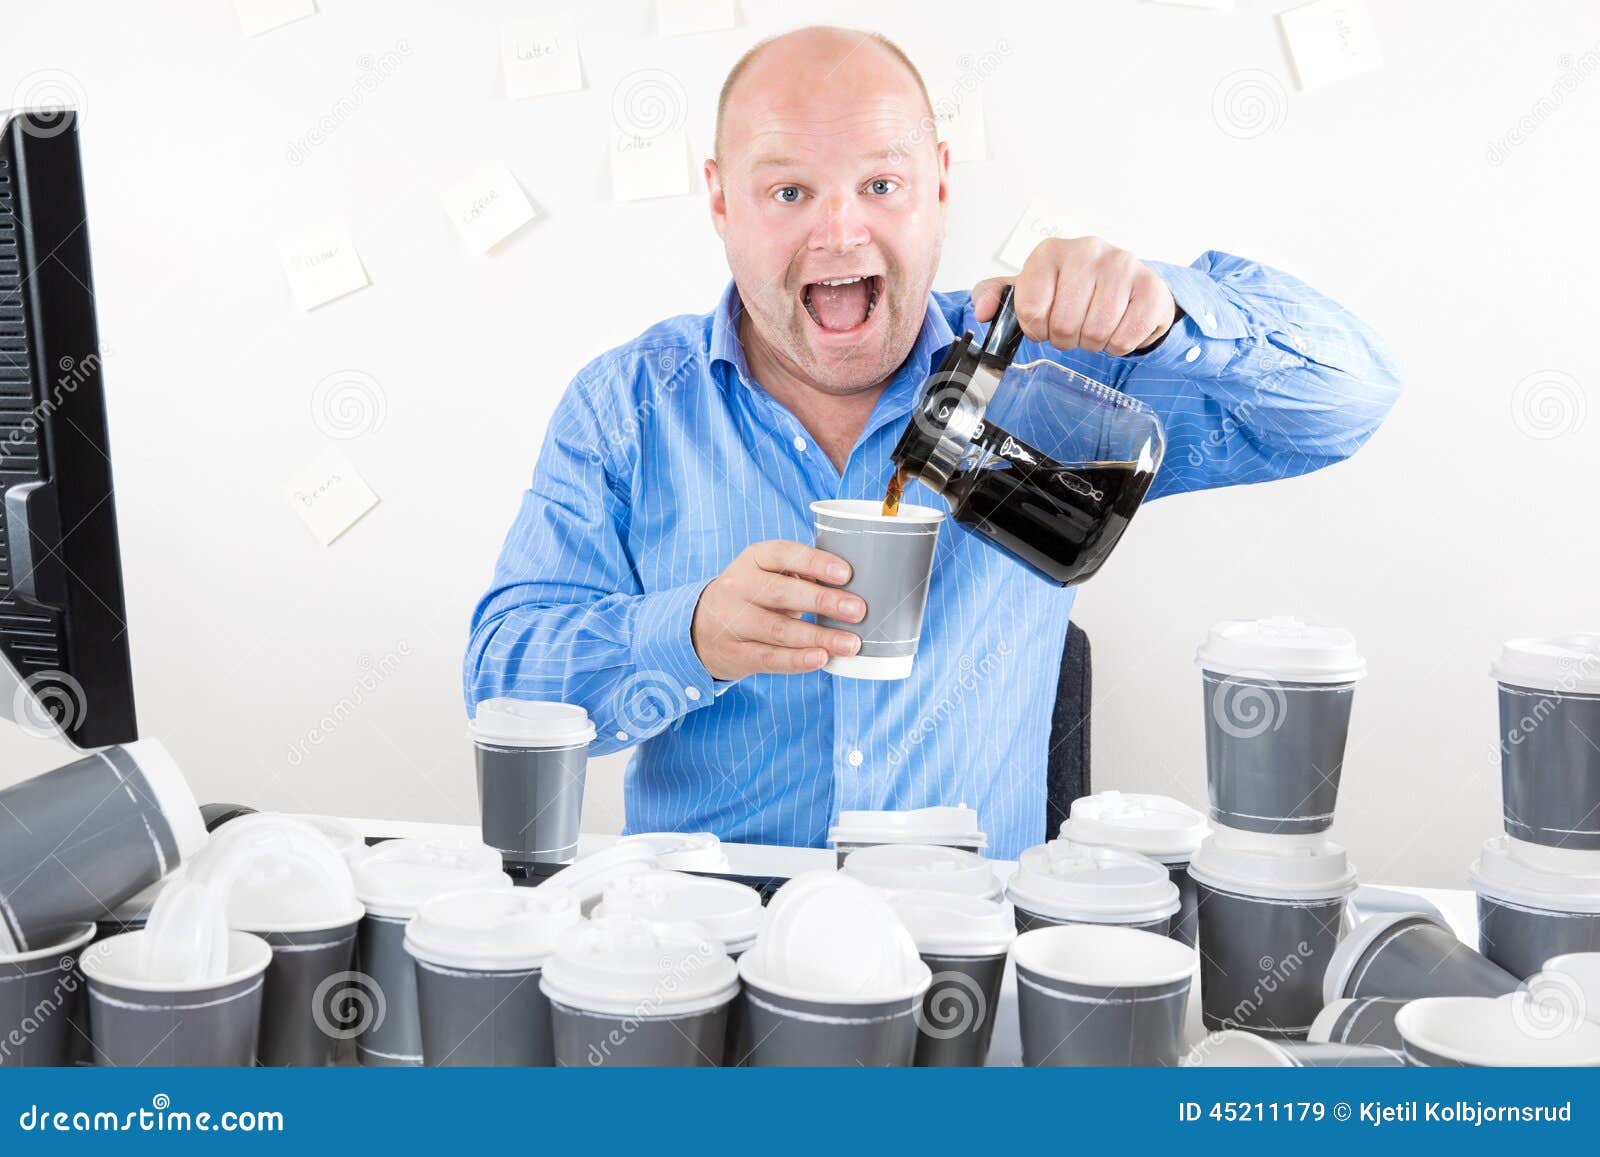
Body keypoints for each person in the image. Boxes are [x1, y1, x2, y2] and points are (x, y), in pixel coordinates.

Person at [463, 26, 1401, 859]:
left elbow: (1349, 401)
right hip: (703, 961)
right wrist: (692, 634)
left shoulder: (1053, 380)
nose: (840, 227)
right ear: (720, 202)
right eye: (789, 189)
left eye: (881, 183)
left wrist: (1169, 311)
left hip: (963, 959)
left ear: (939, 186)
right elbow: (501, 683)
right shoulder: (628, 406)